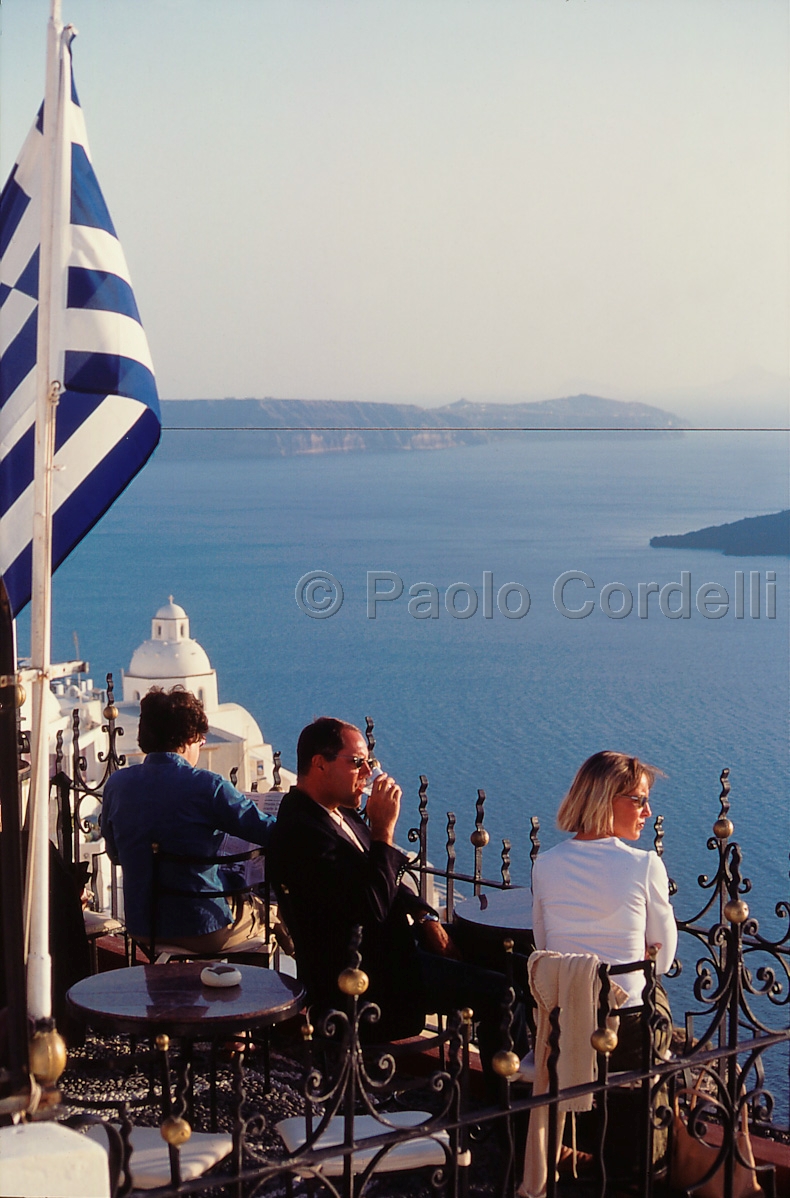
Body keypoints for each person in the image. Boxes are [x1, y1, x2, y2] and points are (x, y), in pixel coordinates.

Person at [267, 717, 525, 1083]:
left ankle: (536, 1094)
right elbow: (368, 910)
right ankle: (510, 1113)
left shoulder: (339, 816)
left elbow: (383, 879)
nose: (368, 772)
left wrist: (426, 917)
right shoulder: (302, 833)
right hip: (369, 978)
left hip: (397, 948)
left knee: (513, 961)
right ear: (319, 763)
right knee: (502, 991)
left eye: (369, 762)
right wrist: (383, 832)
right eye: (357, 762)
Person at [531, 750, 677, 1177]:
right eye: (638, 799)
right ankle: (645, 1165)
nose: (647, 812)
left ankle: (578, 1151)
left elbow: (544, 946)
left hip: (565, 1019)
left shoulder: (546, 864)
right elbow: (663, 958)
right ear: (603, 798)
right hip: (628, 1026)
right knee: (658, 1012)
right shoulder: (643, 864)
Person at [102, 686, 275, 954]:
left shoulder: (117, 784)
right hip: (204, 927)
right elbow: (270, 833)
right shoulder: (208, 786)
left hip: (142, 927)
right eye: (200, 740)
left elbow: (115, 855)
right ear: (190, 737)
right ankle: (272, 993)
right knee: (271, 915)